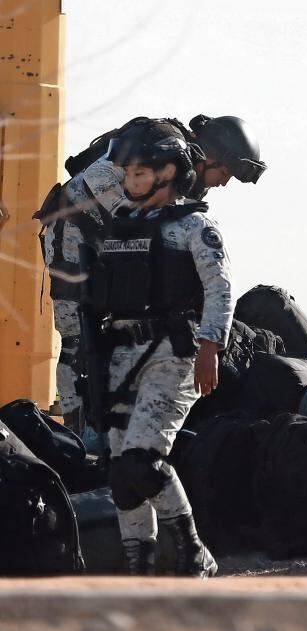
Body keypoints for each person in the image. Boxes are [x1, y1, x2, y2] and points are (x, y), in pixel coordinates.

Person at [65, 120, 235, 576]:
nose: (131, 180)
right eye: (128, 173)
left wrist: (210, 347)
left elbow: (219, 289)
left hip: (172, 356)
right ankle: (138, 564)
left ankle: (193, 552)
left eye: (141, 172)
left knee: (143, 461)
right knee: (121, 472)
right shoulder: (121, 223)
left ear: (169, 172)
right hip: (120, 357)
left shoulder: (194, 225)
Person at [38, 115, 263, 437]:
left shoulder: (185, 174)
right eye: (224, 173)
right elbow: (94, 179)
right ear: (210, 155)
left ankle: (104, 423)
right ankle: (75, 431)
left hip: (114, 249)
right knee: (78, 338)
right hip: (74, 238)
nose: (223, 183)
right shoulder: (160, 146)